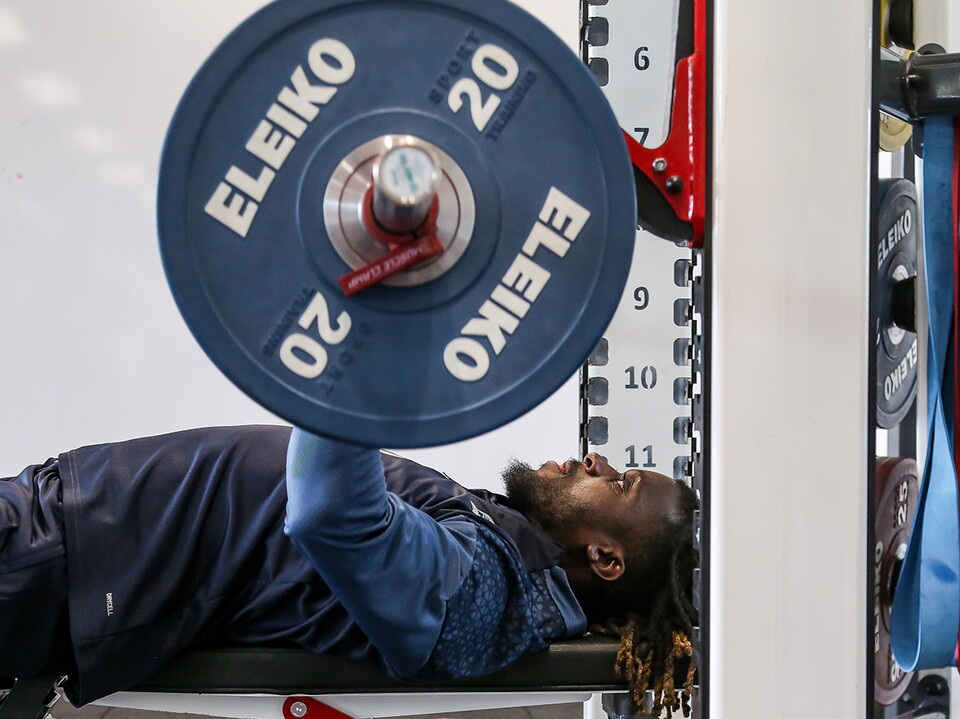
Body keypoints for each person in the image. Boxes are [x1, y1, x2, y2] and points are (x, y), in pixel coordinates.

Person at [0, 424, 698, 717]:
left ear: (607, 558)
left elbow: (330, 512)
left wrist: (358, 360)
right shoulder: (505, 549)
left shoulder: (487, 587)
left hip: (56, 558)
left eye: (621, 483)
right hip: (60, 535)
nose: (595, 460)